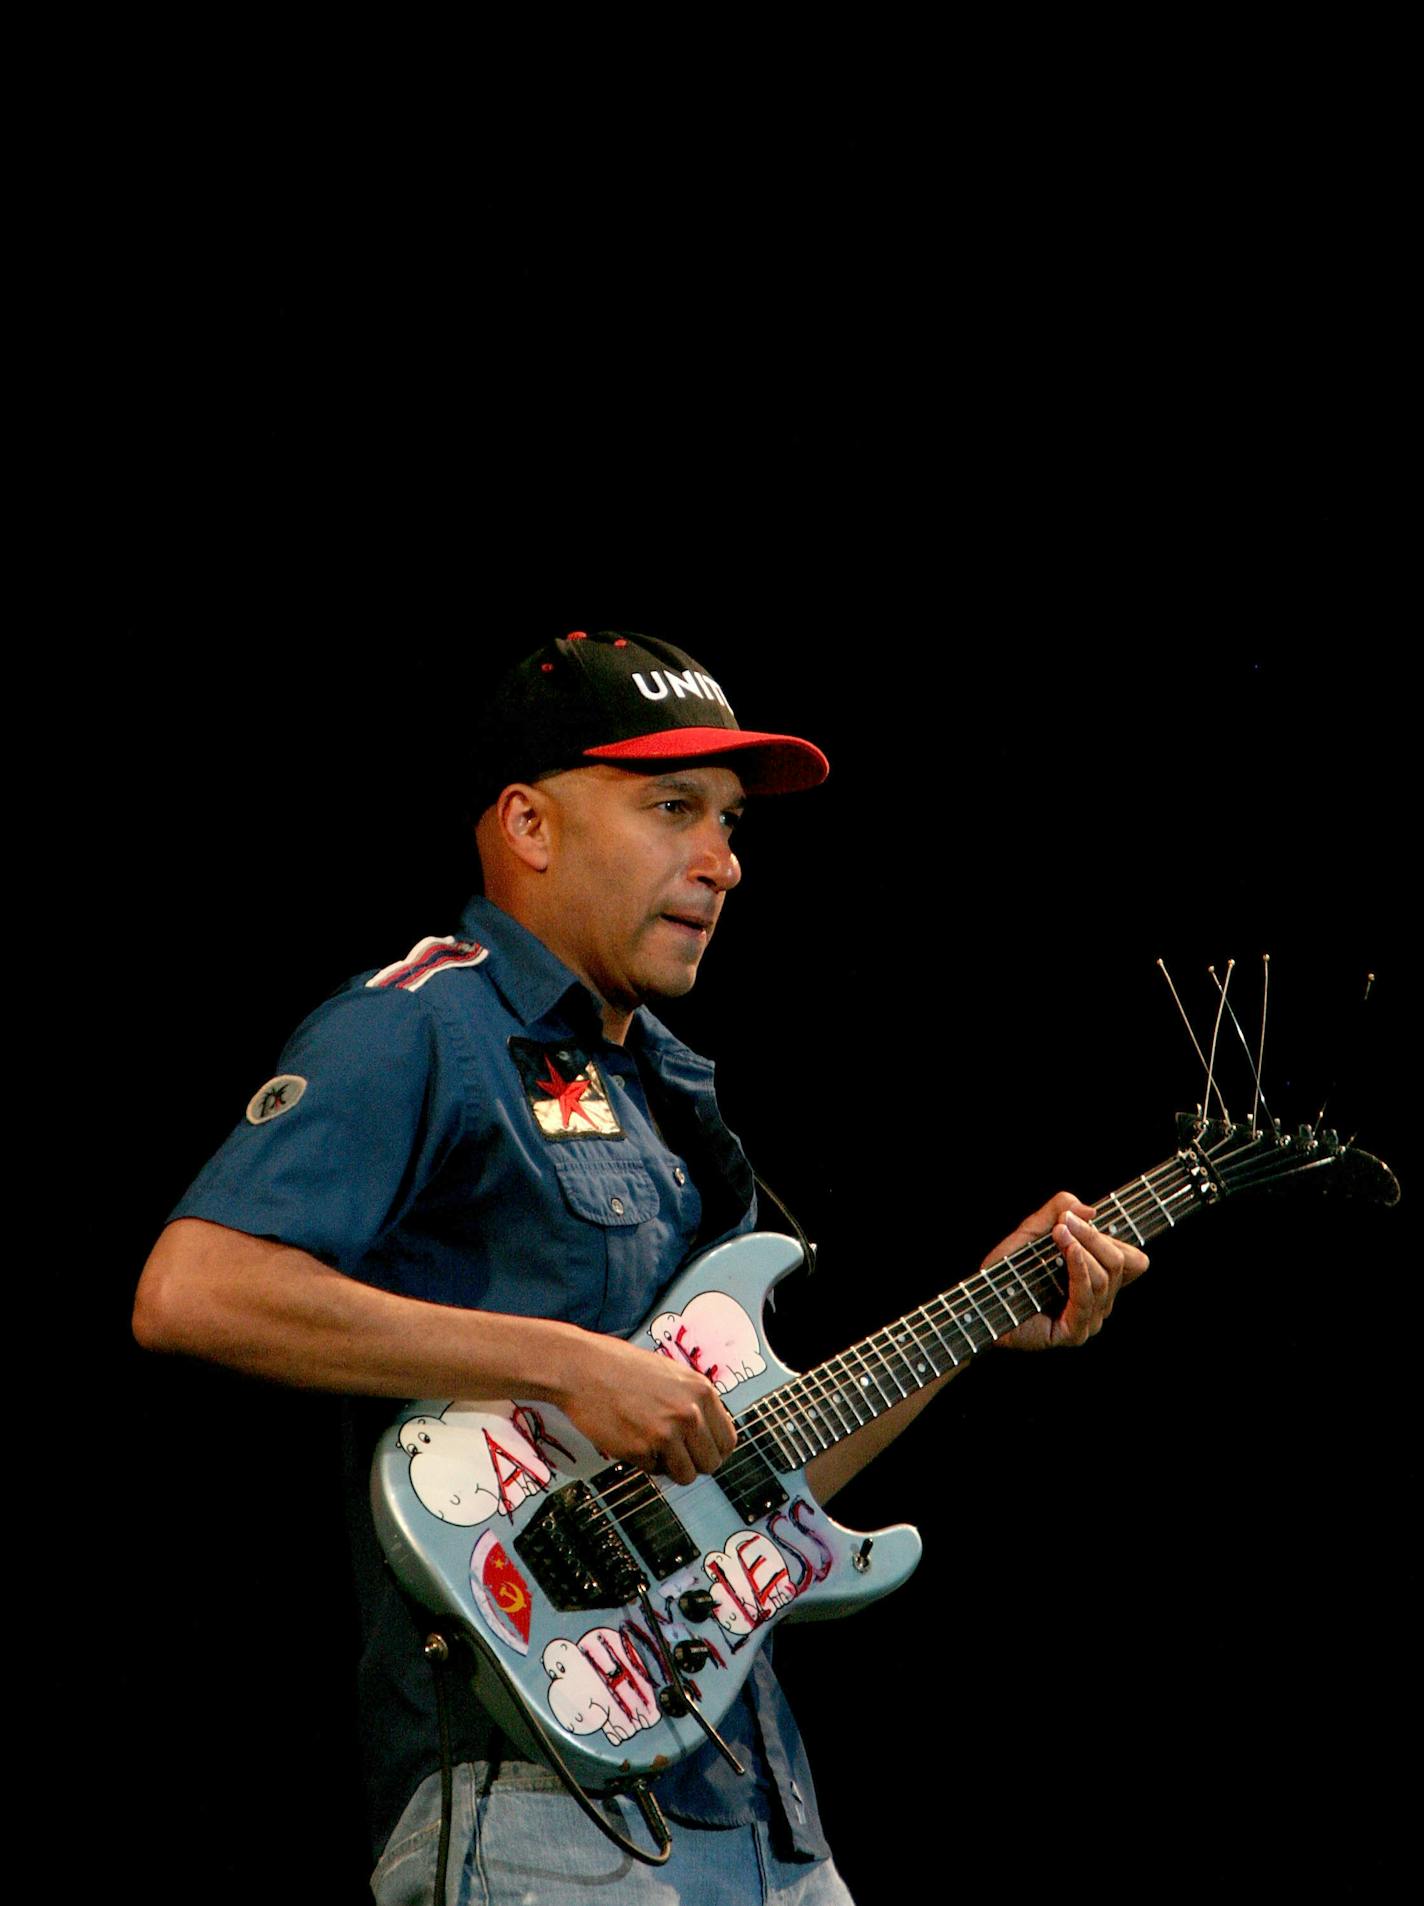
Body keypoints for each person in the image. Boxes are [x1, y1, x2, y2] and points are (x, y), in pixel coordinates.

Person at [133, 630, 1148, 1904]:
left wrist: (972, 1328)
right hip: (529, 1808)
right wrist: (567, 1363)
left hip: (756, 1798)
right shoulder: (417, 1024)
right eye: (671, 808)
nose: (721, 861)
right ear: (528, 826)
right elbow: (193, 1288)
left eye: (726, 822)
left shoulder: (667, 1089)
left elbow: (735, 1481)